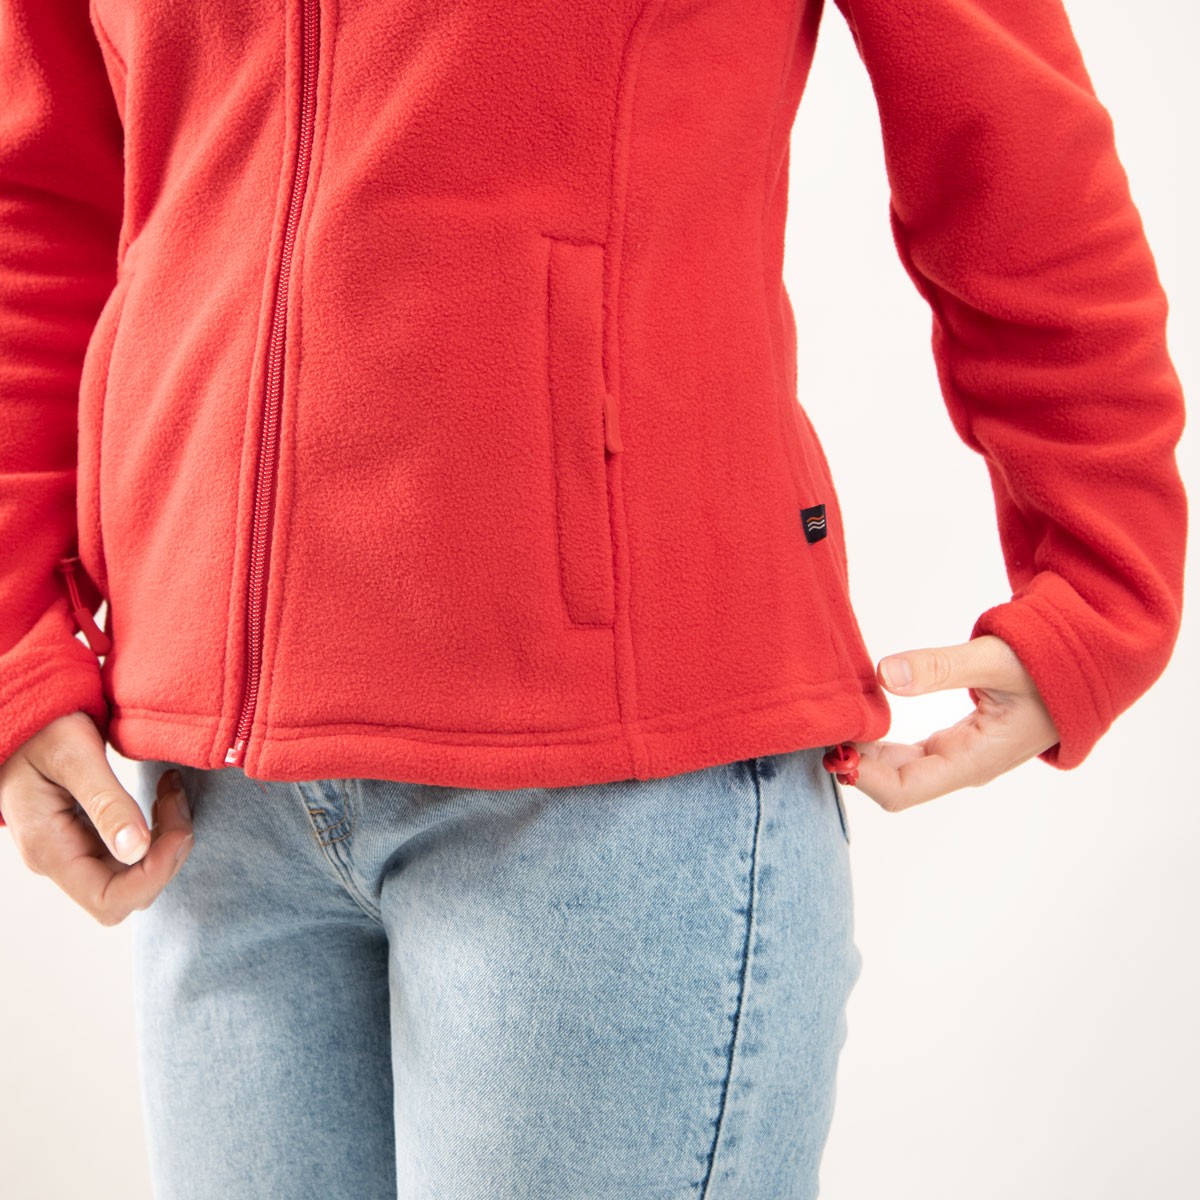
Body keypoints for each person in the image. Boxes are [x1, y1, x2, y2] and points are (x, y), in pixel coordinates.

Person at [0, 1, 1186, 1196]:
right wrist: (16, 649)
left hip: (617, 799)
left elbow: (1010, 134)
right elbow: (36, 200)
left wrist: (1099, 573)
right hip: (210, 812)